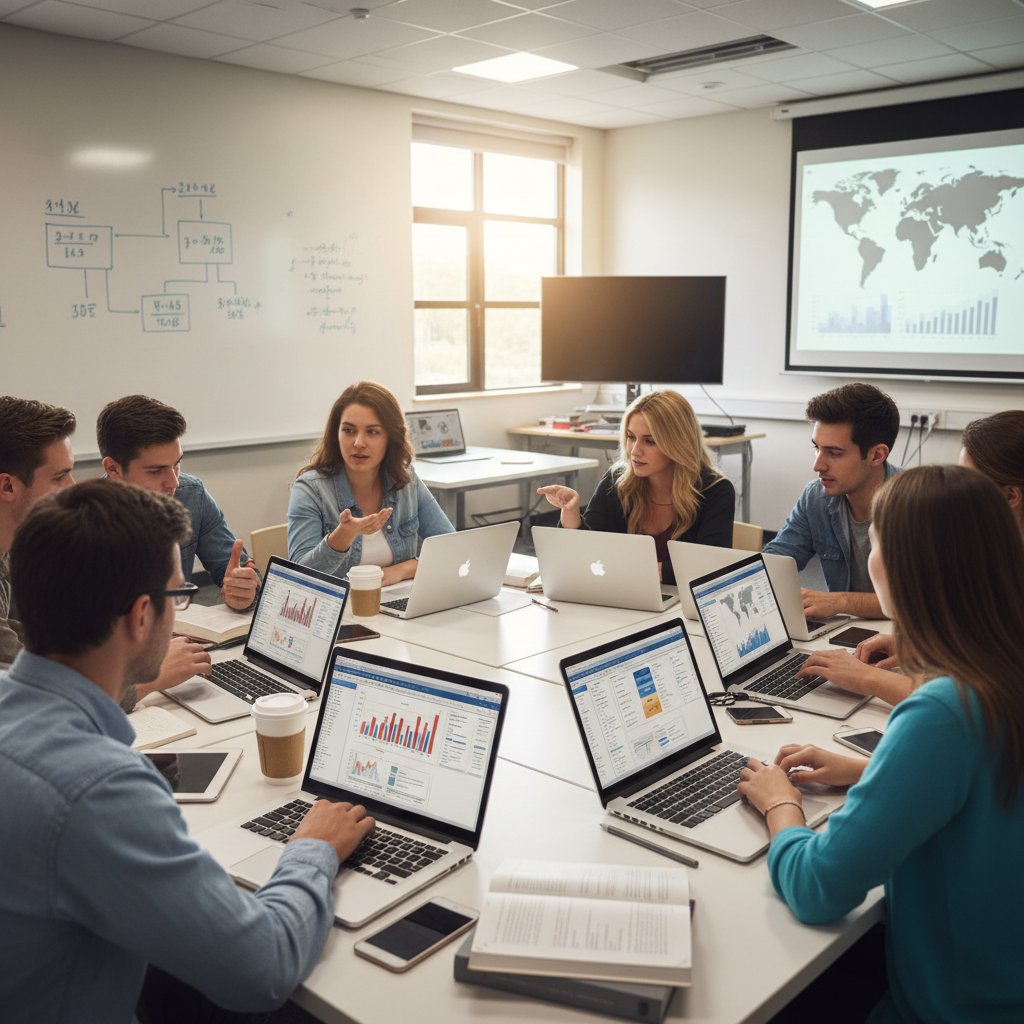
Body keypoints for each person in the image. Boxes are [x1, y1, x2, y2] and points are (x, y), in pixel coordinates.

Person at [0, 479, 375, 1023]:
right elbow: (263, 967)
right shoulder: (97, 789)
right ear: (141, 616)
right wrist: (313, 848)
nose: (181, 612)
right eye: (179, 595)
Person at [737, 465, 1024, 1023]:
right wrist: (868, 772)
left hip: (952, 1007)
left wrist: (780, 803)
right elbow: (983, 795)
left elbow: (818, 887)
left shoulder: (942, 713)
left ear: (899, 566)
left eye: (876, 544)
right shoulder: (1004, 668)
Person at [797, 409, 1024, 706]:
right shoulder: (998, 556)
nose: (954, 492)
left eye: (967, 481)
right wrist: (929, 650)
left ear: (1010, 497)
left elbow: (992, 705)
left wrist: (869, 679)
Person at [537, 389, 734, 584]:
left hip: (682, 605)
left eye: (649, 441)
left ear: (677, 443)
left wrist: (633, 569)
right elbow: (588, 552)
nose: (635, 450)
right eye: (631, 437)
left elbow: (711, 567)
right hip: (624, 595)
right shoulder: (617, 480)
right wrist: (571, 513)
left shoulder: (716, 491)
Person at [97, 394, 260, 611]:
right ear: (113, 469)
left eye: (176, 464)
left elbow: (233, 568)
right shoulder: (81, 520)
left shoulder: (192, 495)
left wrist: (244, 589)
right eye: (156, 471)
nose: (174, 482)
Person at [288, 381, 454, 584]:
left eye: (372, 432)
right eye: (348, 431)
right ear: (336, 434)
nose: (358, 443)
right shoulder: (310, 489)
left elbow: (449, 549)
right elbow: (299, 576)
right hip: (340, 610)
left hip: (395, 603)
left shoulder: (406, 481)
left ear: (390, 438)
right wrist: (344, 534)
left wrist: (406, 569)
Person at [764, 382, 899, 619]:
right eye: (816, 448)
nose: (817, 465)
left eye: (834, 453)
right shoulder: (816, 496)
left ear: (877, 455)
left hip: (902, 641)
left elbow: (923, 604)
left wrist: (841, 601)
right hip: (844, 633)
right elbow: (777, 562)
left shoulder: (918, 505)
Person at [0, 396, 76, 667]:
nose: (72, 487)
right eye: (59, 477)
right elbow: (30, 681)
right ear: (8, 487)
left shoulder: (12, 549)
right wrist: (141, 682)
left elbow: (30, 635)